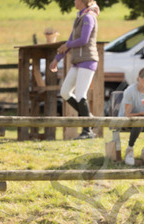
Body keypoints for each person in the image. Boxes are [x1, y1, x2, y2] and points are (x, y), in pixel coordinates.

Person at [49, 0, 99, 140]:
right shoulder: (79, 18)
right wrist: (57, 59)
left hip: (88, 60)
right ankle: (89, 118)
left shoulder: (89, 17)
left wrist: (68, 45)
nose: (74, 1)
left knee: (81, 94)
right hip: (78, 61)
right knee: (65, 92)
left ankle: (87, 131)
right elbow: (69, 41)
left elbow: (84, 40)